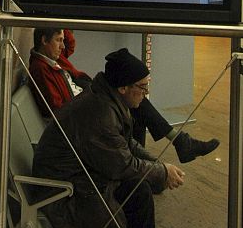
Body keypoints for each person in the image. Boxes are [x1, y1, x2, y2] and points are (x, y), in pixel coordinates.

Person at [33, 47, 185, 228]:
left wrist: (160, 167)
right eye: (142, 87)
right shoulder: (100, 114)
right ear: (124, 87)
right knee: (136, 195)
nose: (146, 93)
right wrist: (161, 173)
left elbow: (125, 146)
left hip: (77, 179)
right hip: (62, 196)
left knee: (137, 187)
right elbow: (122, 164)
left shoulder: (105, 99)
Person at [29, 28, 219, 164]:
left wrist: (61, 18)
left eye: (62, 39)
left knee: (136, 102)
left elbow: (70, 45)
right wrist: (85, 101)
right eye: (58, 40)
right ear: (44, 41)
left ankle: (159, 158)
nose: (63, 45)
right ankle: (174, 146)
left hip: (88, 93)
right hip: (84, 107)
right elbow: (58, 107)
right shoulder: (41, 67)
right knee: (135, 100)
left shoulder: (55, 57)